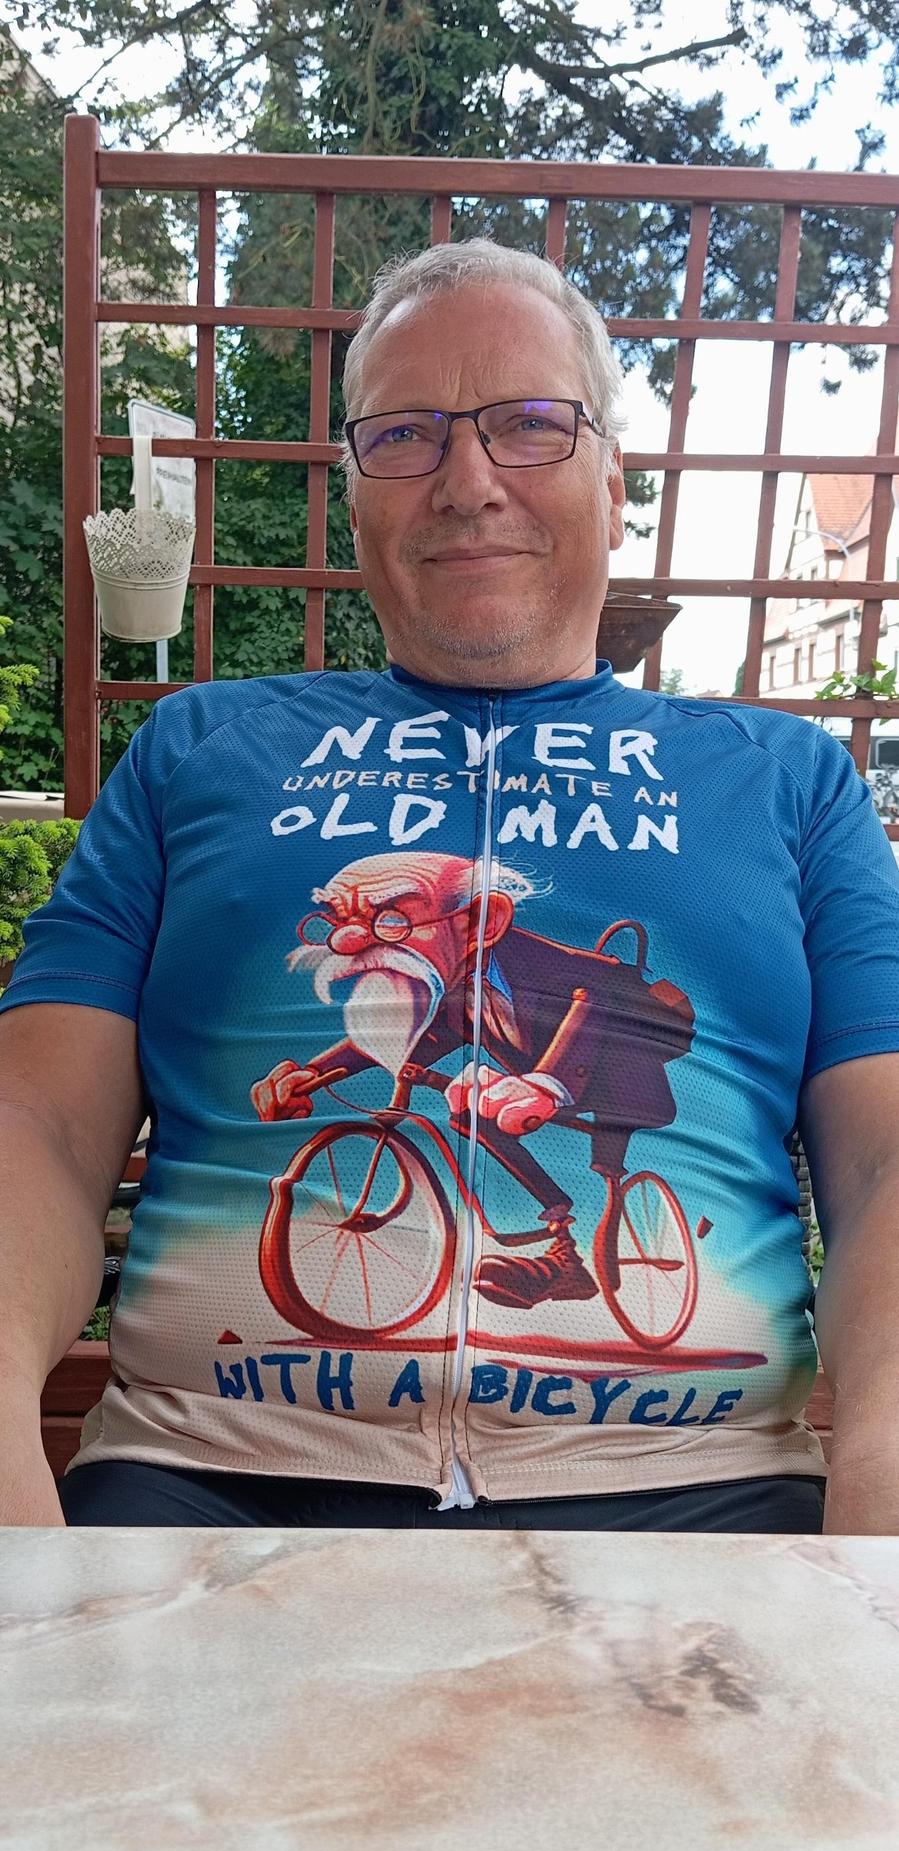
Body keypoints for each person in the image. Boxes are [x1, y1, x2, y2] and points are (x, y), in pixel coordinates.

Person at [3, 238, 899, 1534]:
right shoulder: (198, 750)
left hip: (692, 1489)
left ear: (613, 481)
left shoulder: (787, 781)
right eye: (406, 434)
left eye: (531, 425)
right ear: (354, 492)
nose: (467, 483)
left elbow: (883, 1159)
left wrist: (886, 1458)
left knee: (520, 1117)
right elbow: (37, 1119)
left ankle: (563, 1243)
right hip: (206, 1477)